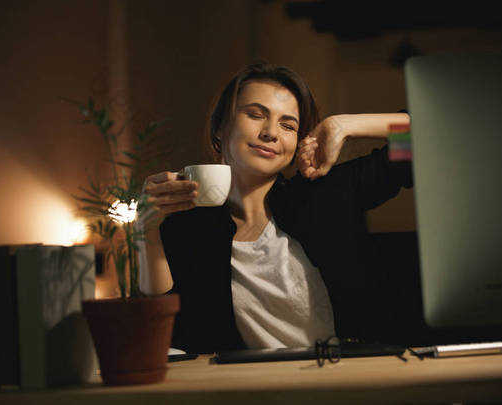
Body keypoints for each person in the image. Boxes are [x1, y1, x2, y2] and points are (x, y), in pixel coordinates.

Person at [136, 63, 412, 354]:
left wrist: (342, 125)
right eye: (255, 115)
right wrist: (148, 229)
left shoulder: (329, 194)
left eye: (288, 125)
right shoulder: (187, 229)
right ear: (219, 128)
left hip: (358, 379)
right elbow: (162, 335)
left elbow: (430, 137)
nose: (271, 132)